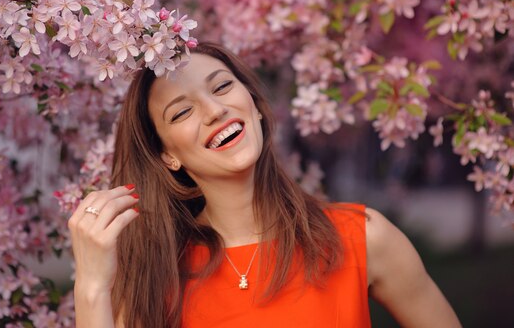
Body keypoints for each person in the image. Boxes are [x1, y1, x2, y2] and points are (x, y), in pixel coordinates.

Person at [68, 43, 461, 327]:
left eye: (221, 87)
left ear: (254, 105)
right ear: (168, 155)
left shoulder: (364, 238)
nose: (214, 110)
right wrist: (90, 285)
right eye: (182, 111)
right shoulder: (154, 280)